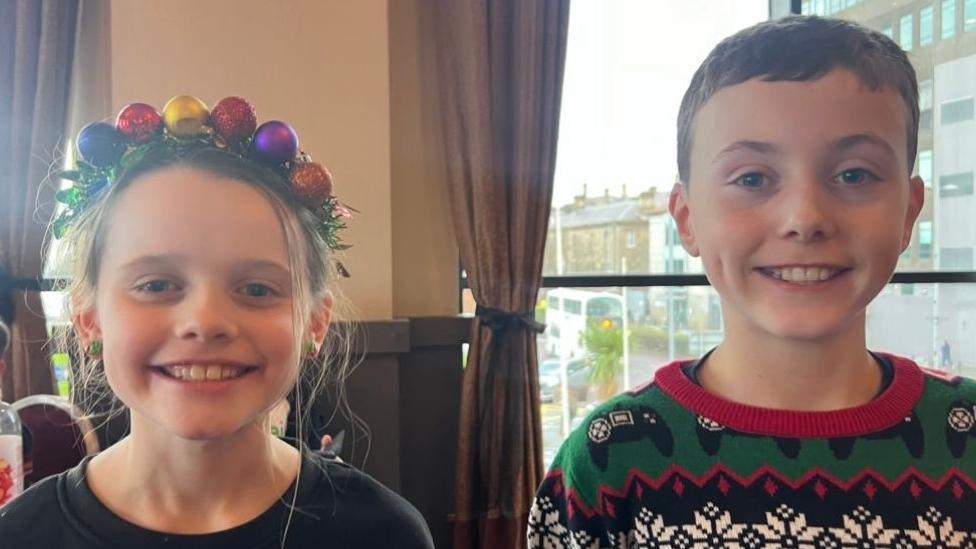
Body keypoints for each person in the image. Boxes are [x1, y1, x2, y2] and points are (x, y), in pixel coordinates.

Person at [528, 16, 976, 547]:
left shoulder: (964, 436)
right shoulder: (613, 457)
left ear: (909, 212)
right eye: (752, 179)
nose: (805, 217)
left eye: (854, 174)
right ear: (688, 219)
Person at [0, 96, 434, 548]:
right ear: (88, 319)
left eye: (257, 289)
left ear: (315, 324)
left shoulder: (383, 534)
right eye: (155, 284)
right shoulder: (20, 537)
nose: (205, 322)